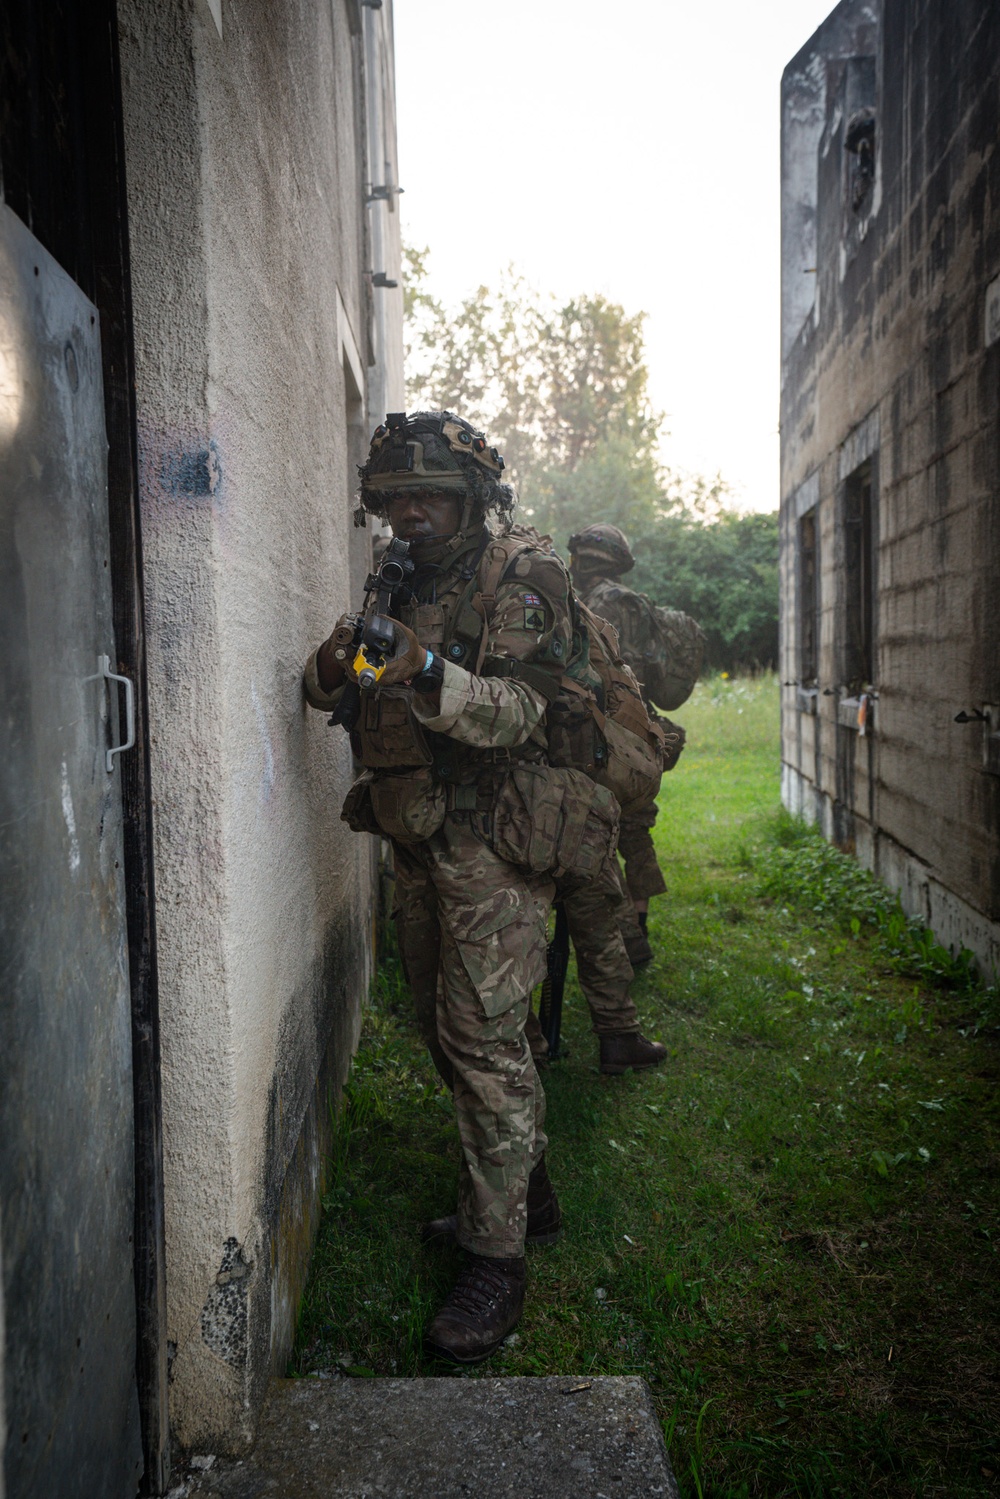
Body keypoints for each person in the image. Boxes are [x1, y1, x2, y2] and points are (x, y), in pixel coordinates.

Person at [304, 411, 613, 1364]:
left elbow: (527, 709)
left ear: (473, 495)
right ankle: (529, 1191)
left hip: (495, 834)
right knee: (453, 1034)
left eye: (427, 495)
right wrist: (340, 663)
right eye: (392, 499)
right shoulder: (402, 575)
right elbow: (338, 686)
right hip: (416, 830)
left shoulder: (523, 575)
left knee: (484, 1041)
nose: (407, 513)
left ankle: (497, 1259)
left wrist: (426, 667)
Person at [567, 524, 668, 966]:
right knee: (636, 832)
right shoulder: (636, 604)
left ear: (583, 561)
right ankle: (640, 923)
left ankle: (629, 941)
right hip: (641, 731)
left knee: (602, 837)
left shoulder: (589, 604)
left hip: (605, 734)